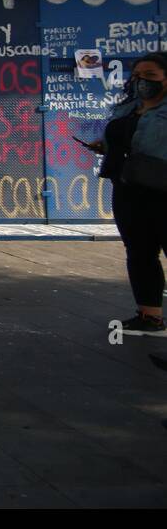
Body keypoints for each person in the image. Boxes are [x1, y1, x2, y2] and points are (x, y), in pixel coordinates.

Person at [88, 52, 167, 335]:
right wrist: (106, 146)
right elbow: (124, 139)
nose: (141, 81)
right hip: (129, 188)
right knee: (139, 252)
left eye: (150, 76)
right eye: (137, 75)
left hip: (162, 190)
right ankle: (150, 316)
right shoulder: (129, 108)